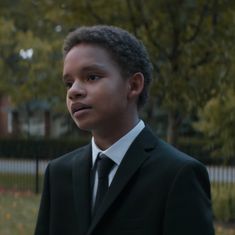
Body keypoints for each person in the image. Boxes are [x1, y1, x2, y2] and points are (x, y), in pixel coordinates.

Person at [35, 25, 215, 235]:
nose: (74, 91)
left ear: (133, 85)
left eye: (91, 77)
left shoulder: (178, 174)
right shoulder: (58, 173)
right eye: (68, 82)